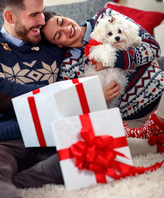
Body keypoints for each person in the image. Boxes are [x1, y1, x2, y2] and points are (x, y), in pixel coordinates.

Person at [41, 10, 164, 152]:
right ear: (58, 45)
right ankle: (155, 141)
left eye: (61, 22)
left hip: (160, 97)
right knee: (102, 147)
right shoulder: (67, 68)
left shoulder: (105, 17)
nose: (66, 29)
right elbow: (75, 110)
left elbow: (153, 48)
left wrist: (114, 60)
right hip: (133, 122)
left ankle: (157, 129)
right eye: (58, 35)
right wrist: (99, 99)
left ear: (63, 16)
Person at [0, 0, 67, 198]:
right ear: (9, 16)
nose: (42, 20)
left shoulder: (51, 35)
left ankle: (19, 179)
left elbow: (89, 33)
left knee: (92, 153)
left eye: (43, 12)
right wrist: (51, 92)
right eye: (33, 15)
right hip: (7, 140)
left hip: (51, 135)